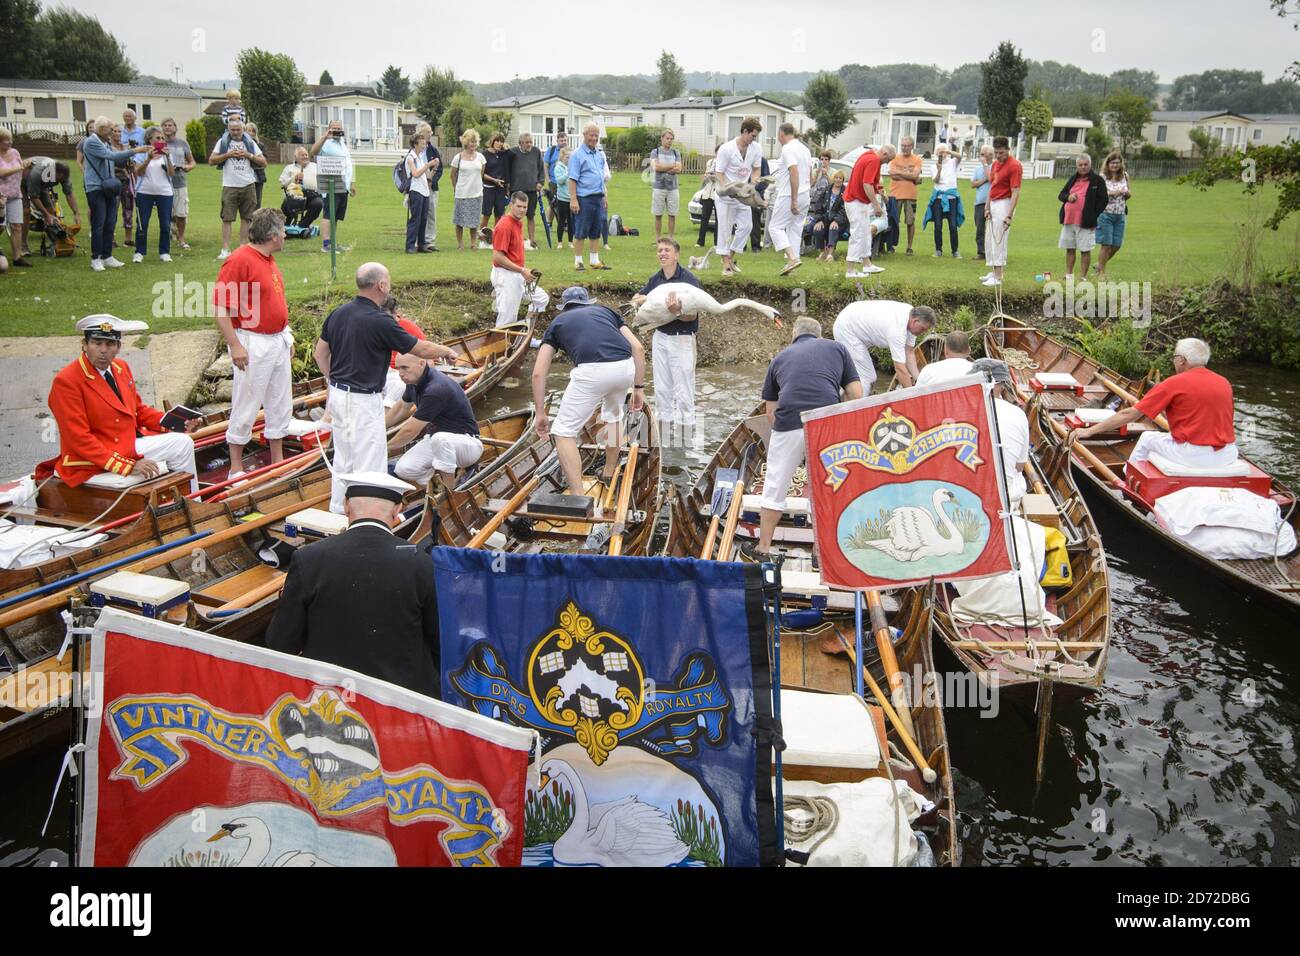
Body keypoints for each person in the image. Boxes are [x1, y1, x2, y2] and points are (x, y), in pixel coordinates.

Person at [266, 471, 441, 699]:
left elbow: (281, 643)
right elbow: (439, 640)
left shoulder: (308, 558)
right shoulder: (421, 561)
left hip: (330, 699)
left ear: (346, 506)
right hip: (400, 702)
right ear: (397, 510)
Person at [313, 263, 463, 513]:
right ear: (381, 285)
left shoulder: (338, 313)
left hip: (338, 396)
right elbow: (421, 349)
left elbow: (320, 354)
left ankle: (339, 508)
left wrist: (336, 380)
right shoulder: (381, 320)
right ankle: (365, 516)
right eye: (389, 281)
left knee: (344, 455)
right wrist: (446, 351)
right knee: (370, 459)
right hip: (363, 398)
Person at [43, 315, 199, 492]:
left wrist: (179, 422)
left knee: (183, 442)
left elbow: (137, 411)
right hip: (93, 458)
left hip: (125, 443)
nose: (103, 350)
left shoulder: (120, 367)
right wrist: (127, 466)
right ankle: (186, 504)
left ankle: (187, 502)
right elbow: (78, 438)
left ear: (118, 347)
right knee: (181, 445)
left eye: (109, 344)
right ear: (85, 345)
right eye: (96, 343)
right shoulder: (67, 380)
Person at [752, 317, 863, 557]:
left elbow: (770, 412)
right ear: (819, 335)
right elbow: (856, 394)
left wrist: (788, 440)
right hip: (825, 422)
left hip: (788, 420)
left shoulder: (779, 358)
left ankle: (762, 548)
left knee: (774, 486)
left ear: (794, 334)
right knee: (823, 488)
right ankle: (818, 554)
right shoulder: (837, 349)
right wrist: (834, 412)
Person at [532, 287, 645, 504]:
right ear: (587, 302)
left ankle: (578, 498)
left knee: (563, 432)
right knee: (613, 416)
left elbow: (538, 373)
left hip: (592, 372)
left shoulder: (557, 323)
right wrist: (638, 388)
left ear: (564, 307)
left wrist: (540, 413)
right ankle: (610, 470)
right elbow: (638, 349)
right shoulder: (606, 312)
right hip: (624, 368)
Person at [1071, 338, 1237, 471]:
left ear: (1182, 361)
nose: (1174, 362)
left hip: (1193, 455)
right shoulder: (1224, 382)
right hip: (1227, 453)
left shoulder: (1174, 383)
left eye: (1174, 358)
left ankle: (1130, 484)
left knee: (1147, 437)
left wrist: (1089, 431)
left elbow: (1128, 415)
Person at [212, 208, 292, 478]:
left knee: (280, 400)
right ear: (272, 235)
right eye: (282, 231)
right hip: (253, 340)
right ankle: (235, 466)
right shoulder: (239, 260)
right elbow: (221, 308)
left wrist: (286, 334)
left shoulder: (267, 258)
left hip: (277, 339)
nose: (285, 236)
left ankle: (278, 460)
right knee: (247, 399)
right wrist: (235, 345)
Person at [631, 237, 702, 445]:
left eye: (667, 250)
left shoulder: (689, 280)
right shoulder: (657, 279)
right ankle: (663, 442)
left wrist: (677, 311)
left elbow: (693, 316)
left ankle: (685, 440)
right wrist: (640, 299)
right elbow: (638, 297)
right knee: (662, 389)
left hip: (682, 338)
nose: (662, 253)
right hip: (660, 337)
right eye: (660, 250)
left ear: (676, 255)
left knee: (684, 390)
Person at [386, 353, 484, 488]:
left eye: (405, 368)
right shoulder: (413, 382)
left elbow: (410, 431)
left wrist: (385, 448)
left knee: (440, 439)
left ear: (421, 363)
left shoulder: (435, 389)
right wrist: (379, 427)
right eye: (398, 368)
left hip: (467, 444)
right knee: (403, 469)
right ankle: (435, 480)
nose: (400, 374)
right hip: (436, 440)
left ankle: (449, 491)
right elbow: (401, 407)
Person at [79, 118, 144, 271]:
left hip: (109, 186)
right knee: (99, 223)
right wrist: (135, 151)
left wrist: (129, 158)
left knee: (110, 222)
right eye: (111, 129)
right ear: (102, 129)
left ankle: (107, 256)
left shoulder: (105, 142)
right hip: (96, 187)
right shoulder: (92, 142)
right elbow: (111, 156)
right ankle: (96, 258)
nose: (114, 132)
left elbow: (116, 160)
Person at [832, 300, 935, 391]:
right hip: (847, 328)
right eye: (922, 329)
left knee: (859, 374)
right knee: (868, 377)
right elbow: (900, 369)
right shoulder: (897, 330)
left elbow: (908, 352)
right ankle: (852, 408)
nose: (922, 333)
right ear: (915, 321)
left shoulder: (911, 317)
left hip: (856, 320)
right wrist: (911, 395)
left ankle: (843, 396)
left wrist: (918, 382)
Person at [970, 358, 1030, 505]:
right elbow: (1019, 466)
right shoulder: (1018, 414)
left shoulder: (960, 409)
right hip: (1007, 501)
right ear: (1002, 385)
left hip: (970, 498)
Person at [210, 116, 266, 260]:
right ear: (228, 130)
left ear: (243, 129)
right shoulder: (222, 142)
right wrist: (227, 155)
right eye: (233, 130)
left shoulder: (250, 142)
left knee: (247, 218)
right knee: (227, 218)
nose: (236, 132)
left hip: (248, 184)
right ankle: (225, 249)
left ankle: (243, 247)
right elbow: (211, 161)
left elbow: (263, 162)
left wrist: (248, 155)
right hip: (229, 185)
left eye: (238, 129)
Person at [491, 191, 549, 327]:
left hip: (517, 274)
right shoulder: (504, 225)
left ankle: (524, 333)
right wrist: (522, 270)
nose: (522, 210)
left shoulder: (518, 222)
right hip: (506, 276)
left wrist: (522, 271)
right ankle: (502, 345)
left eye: (525, 207)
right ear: (511, 205)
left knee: (541, 299)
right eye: (519, 206)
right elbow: (497, 257)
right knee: (507, 318)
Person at [713, 117, 763, 276]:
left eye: (756, 136)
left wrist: (753, 183)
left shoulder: (756, 148)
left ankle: (730, 258)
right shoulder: (726, 149)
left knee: (747, 226)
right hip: (726, 196)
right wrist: (726, 188)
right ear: (745, 131)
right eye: (753, 135)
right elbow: (719, 172)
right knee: (725, 230)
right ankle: (726, 266)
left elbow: (756, 169)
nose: (754, 139)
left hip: (743, 194)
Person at [768, 123, 813, 275]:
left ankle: (792, 258)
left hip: (789, 194)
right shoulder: (805, 149)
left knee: (775, 227)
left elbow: (794, 172)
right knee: (795, 229)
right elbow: (810, 174)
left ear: (781, 134)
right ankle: (792, 266)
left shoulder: (787, 149)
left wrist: (793, 199)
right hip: (805, 193)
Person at [844, 143, 896, 278]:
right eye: (888, 160)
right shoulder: (874, 160)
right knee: (858, 234)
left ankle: (867, 265)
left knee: (865, 232)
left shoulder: (870, 155)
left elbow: (873, 182)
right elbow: (866, 184)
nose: (887, 163)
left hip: (858, 201)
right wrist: (876, 205)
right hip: (856, 201)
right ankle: (850, 270)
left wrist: (879, 191)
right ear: (885, 154)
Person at [567, 122, 612, 271]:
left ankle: (594, 260)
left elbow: (600, 177)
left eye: (596, 136)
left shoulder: (599, 154)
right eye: (591, 135)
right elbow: (572, 179)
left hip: (598, 197)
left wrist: (604, 196)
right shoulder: (577, 155)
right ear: (584, 135)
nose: (594, 138)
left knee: (596, 229)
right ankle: (578, 261)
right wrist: (573, 199)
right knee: (580, 230)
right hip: (583, 198)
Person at [1057, 153, 1107, 280]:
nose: (1083, 167)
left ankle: (1083, 277)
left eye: (1086, 164)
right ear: (1076, 166)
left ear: (1090, 165)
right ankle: (1068, 275)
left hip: (1085, 222)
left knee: (1085, 250)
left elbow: (1103, 200)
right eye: (1080, 165)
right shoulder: (1073, 179)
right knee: (1070, 248)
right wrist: (1068, 197)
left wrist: (1093, 215)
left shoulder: (1097, 180)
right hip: (1069, 220)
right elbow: (1061, 195)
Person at [310, 120, 355, 254]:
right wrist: (325, 137)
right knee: (329, 214)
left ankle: (333, 242)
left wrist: (352, 183)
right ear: (329, 129)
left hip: (344, 185)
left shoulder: (342, 144)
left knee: (336, 216)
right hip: (331, 184)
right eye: (334, 128)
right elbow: (313, 152)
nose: (337, 131)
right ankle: (326, 244)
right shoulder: (326, 143)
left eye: (339, 128)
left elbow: (348, 163)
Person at [981, 136, 1021, 288]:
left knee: (999, 238)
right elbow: (992, 186)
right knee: (990, 238)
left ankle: (998, 276)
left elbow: (1015, 191)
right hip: (993, 202)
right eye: (996, 153)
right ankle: (993, 271)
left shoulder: (1014, 166)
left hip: (1005, 203)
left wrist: (1009, 215)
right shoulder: (996, 164)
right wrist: (986, 206)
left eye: (1001, 153)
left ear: (1008, 150)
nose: (998, 156)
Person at [131, 126, 174, 263]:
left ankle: (164, 252)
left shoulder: (167, 153)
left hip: (165, 192)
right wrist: (149, 158)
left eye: (162, 138)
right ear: (149, 140)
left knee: (165, 224)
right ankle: (139, 252)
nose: (161, 140)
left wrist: (167, 158)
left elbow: (171, 173)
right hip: (144, 192)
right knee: (142, 223)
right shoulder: (141, 153)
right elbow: (138, 172)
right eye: (157, 138)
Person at [381, 295, 426, 406]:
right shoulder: (372, 327)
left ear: (395, 314)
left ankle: (387, 415)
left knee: (399, 385)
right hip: (381, 371)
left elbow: (426, 361)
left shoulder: (409, 329)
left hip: (401, 374)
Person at [1095, 151, 1131, 279]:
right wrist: (1114, 192)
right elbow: (1098, 195)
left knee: (1116, 245)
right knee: (1106, 244)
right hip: (1105, 214)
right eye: (1112, 162)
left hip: (1120, 214)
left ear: (1121, 164)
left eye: (1117, 162)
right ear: (1108, 164)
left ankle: (1099, 265)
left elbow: (1129, 191)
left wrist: (1127, 194)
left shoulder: (1125, 176)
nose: (1115, 165)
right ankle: (1101, 274)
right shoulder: (1102, 177)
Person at [507, 132, 546, 248]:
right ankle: (514, 239)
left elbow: (541, 169)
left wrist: (540, 182)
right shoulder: (513, 152)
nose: (529, 145)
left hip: (531, 189)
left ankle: (531, 240)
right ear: (520, 143)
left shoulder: (536, 152)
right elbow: (507, 168)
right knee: (515, 216)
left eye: (530, 142)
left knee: (530, 215)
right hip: (516, 189)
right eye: (526, 142)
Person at [161, 119, 195, 250]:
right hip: (163, 182)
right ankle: (167, 238)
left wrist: (187, 167)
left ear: (175, 128)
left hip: (179, 181)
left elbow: (192, 162)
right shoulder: (159, 143)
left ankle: (181, 239)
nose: (167, 128)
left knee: (181, 213)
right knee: (165, 213)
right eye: (164, 125)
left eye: (170, 125)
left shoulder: (182, 143)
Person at [450, 129, 485, 251]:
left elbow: (481, 172)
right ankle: (460, 244)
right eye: (471, 142)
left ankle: (473, 243)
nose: (473, 144)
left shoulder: (480, 157)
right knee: (459, 220)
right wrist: (456, 188)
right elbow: (452, 175)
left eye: (475, 142)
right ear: (466, 142)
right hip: (461, 193)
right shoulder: (457, 158)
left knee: (474, 221)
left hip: (476, 193)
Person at [925, 143, 963, 258]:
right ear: (936, 154)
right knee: (938, 225)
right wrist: (939, 170)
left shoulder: (952, 162)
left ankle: (955, 250)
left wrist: (949, 152)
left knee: (952, 225)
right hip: (938, 198)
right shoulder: (933, 166)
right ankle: (938, 249)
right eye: (940, 152)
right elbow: (936, 181)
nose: (942, 154)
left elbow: (960, 156)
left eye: (943, 152)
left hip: (951, 198)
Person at [0, 129, 30, 267]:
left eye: (10, 139)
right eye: (7, 139)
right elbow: (2, 173)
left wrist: (24, 166)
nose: (10, 142)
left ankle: (17, 257)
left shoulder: (14, 152)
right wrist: (19, 167)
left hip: (15, 195)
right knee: (1, 226)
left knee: (17, 225)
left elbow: (21, 169)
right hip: (1, 197)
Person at [889, 136, 924, 255]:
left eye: (907, 145)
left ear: (912, 146)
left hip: (910, 195)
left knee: (910, 221)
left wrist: (900, 173)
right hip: (895, 194)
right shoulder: (894, 158)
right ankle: (891, 245)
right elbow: (892, 175)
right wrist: (909, 174)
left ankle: (909, 247)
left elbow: (915, 175)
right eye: (902, 145)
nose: (904, 148)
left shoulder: (917, 159)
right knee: (893, 221)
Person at [404, 132, 436, 254]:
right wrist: (428, 164)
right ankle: (410, 245)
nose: (424, 146)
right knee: (415, 219)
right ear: (415, 144)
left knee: (423, 219)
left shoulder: (421, 157)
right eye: (422, 143)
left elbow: (427, 175)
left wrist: (434, 167)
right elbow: (416, 174)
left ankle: (422, 245)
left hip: (424, 191)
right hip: (415, 190)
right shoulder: (410, 158)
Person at [649, 128, 683, 240]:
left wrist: (663, 167)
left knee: (672, 214)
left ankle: (670, 239)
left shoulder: (676, 152)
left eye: (671, 139)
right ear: (662, 138)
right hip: (659, 187)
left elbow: (679, 169)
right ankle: (658, 238)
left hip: (673, 188)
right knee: (658, 214)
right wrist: (671, 165)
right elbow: (656, 167)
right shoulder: (655, 152)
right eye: (667, 138)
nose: (669, 140)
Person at [809, 170, 849, 262]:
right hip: (825, 219)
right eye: (836, 177)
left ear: (843, 180)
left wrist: (836, 220)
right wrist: (819, 220)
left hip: (840, 221)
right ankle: (823, 252)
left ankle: (830, 254)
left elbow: (845, 209)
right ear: (833, 179)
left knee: (833, 228)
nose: (838, 180)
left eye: (840, 178)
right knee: (817, 229)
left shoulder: (846, 191)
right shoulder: (827, 190)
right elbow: (818, 205)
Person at [279, 146, 323, 229]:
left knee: (318, 203)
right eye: (302, 155)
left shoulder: (315, 166)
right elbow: (282, 182)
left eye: (306, 155)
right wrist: (294, 178)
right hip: (294, 195)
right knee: (286, 203)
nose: (305, 157)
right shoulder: (289, 168)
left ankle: (302, 226)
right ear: (296, 157)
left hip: (312, 195)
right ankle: (285, 226)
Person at [414, 121, 442, 251]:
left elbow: (440, 169)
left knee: (431, 214)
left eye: (431, 131)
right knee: (417, 214)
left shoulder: (433, 150)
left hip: (431, 188)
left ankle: (430, 242)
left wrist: (432, 181)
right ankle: (416, 241)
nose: (431, 134)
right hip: (417, 187)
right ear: (420, 133)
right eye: (428, 132)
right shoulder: (414, 150)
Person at [109, 124, 136, 245]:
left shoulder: (125, 147)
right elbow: (108, 166)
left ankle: (128, 239)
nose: (117, 133)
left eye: (119, 131)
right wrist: (121, 170)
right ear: (110, 133)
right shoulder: (108, 148)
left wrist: (130, 165)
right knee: (113, 209)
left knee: (128, 208)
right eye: (114, 131)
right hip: (113, 182)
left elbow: (130, 164)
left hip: (126, 181)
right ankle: (111, 238)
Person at [480, 132, 510, 230]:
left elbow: (512, 156)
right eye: (497, 141)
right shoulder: (484, 154)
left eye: (502, 141)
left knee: (499, 214)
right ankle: (482, 237)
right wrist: (493, 180)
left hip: (500, 189)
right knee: (487, 214)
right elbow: (482, 173)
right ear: (492, 141)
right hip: (488, 189)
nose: (499, 143)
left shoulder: (502, 154)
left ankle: (496, 236)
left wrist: (507, 149)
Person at [969, 144, 993, 260]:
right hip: (979, 202)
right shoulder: (977, 169)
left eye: (984, 154)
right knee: (979, 228)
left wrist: (985, 165)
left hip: (993, 202)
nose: (982, 156)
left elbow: (991, 178)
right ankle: (981, 252)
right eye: (981, 154)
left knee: (992, 228)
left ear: (990, 155)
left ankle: (992, 251)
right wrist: (984, 180)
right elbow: (973, 184)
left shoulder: (995, 167)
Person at [695, 143, 721, 248]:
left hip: (718, 193)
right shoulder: (710, 162)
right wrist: (705, 177)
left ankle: (717, 243)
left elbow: (722, 178)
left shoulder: (724, 163)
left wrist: (714, 177)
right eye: (718, 152)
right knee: (704, 218)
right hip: (707, 193)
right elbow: (706, 176)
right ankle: (700, 241)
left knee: (719, 219)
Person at [553, 146, 572, 247]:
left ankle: (570, 241)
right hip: (562, 198)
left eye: (570, 157)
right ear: (562, 157)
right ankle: (560, 242)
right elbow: (559, 181)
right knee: (561, 220)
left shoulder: (573, 167)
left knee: (571, 221)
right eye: (567, 157)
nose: (569, 159)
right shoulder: (558, 167)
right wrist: (568, 173)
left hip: (572, 198)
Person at [245, 122, 268, 209]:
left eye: (253, 131)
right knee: (248, 203)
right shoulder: (242, 145)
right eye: (248, 130)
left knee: (257, 202)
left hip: (258, 176)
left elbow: (264, 162)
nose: (251, 133)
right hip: (245, 176)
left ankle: (256, 221)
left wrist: (251, 157)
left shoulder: (260, 145)